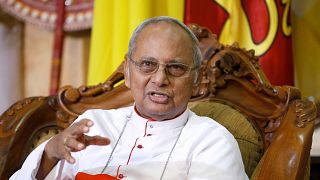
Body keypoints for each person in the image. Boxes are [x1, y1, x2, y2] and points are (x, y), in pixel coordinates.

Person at [10, 16, 248, 180]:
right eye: (147, 65)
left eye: (175, 68)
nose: (159, 79)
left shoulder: (213, 142)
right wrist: (50, 152)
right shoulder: (94, 123)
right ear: (127, 71)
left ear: (195, 79)